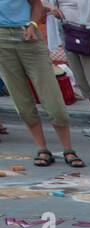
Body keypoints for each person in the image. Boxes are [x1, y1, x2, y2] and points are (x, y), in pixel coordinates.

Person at [0, 0, 83, 164]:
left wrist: (33, 25)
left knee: (52, 99)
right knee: (21, 102)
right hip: (2, 41)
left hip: (27, 35)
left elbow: (37, 5)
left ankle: (68, 149)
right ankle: (42, 149)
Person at [47, 0, 90, 140]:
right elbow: (42, 5)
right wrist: (51, 8)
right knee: (83, 82)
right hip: (69, 34)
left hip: (88, 35)